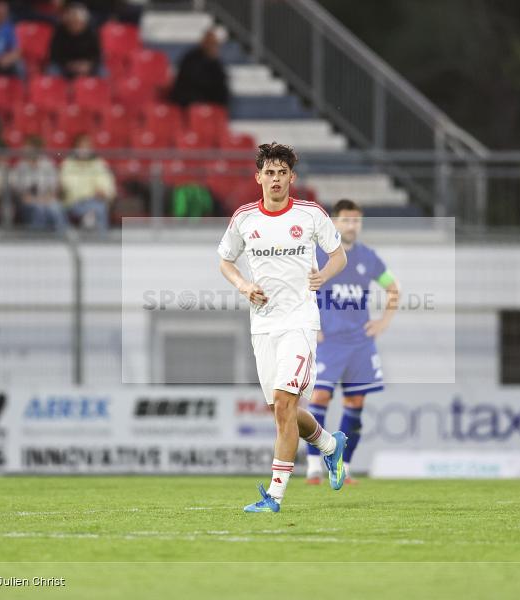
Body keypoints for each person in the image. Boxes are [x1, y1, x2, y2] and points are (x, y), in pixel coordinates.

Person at [218, 142, 348, 513]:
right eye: (269, 173)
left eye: (282, 173)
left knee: (286, 404)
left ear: (292, 177)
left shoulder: (310, 215)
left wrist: (322, 275)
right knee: (282, 409)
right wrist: (244, 286)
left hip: (299, 322)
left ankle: (274, 496)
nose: (275, 179)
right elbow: (226, 262)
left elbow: (339, 256)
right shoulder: (244, 218)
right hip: (263, 326)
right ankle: (328, 445)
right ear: (258, 177)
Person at [306, 199, 400, 485]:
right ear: (333, 223)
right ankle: (313, 467)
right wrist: (311, 326)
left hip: (359, 343)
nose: (351, 225)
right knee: (319, 397)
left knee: (355, 402)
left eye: (356, 220)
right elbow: (299, 290)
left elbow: (392, 289)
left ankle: (343, 467)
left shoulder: (368, 258)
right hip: (328, 342)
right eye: (346, 220)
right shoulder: (319, 255)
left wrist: (383, 322)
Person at [11, 136, 68, 231]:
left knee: (56, 208)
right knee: (39, 209)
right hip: (29, 203)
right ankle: (38, 240)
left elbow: (53, 189)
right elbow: (23, 196)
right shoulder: (20, 167)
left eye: (28, 148)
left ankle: (64, 237)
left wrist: (46, 198)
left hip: (47, 199)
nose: (24, 150)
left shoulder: (48, 165)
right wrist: (38, 200)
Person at [59, 133, 115, 230]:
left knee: (100, 208)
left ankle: (101, 240)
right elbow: (66, 185)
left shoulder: (99, 164)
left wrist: (103, 191)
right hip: (73, 202)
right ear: (75, 148)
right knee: (96, 209)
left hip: (94, 201)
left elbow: (107, 184)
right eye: (81, 147)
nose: (84, 150)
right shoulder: (67, 164)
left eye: (87, 147)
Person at [169, 27, 229, 108]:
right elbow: (190, 82)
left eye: (215, 44)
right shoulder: (191, 58)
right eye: (210, 43)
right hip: (189, 99)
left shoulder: (216, 63)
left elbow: (220, 83)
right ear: (204, 42)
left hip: (206, 98)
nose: (213, 47)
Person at [47, 2, 104, 78]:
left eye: (78, 21)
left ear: (83, 22)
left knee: (103, 73)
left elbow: (97, 55)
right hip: (65, 65)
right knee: (52, 70)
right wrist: (70, 65)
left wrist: (88, 65)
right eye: (72, 21)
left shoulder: (91, 33)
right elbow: (54, 55)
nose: (75, 23)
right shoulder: (59, 32)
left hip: (86, 66)